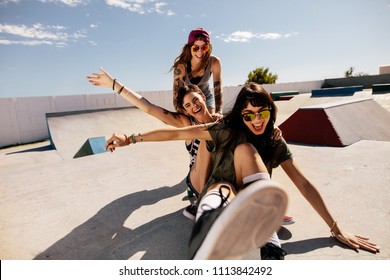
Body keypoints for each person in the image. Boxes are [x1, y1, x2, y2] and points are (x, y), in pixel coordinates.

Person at [105, 82, 380, 259]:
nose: (256, 121)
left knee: (245, 151)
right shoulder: (223, 127)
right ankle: (208, 225)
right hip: (211, 185)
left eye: (262, 114)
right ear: (241, 115)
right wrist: (130, 138)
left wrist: (335, 227)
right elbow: (174, 133)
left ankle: (268, 243)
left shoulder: (272, 138)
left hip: (245, 190)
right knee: (218, 171)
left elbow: (303, 183)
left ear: (271, 112)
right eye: (249, 115)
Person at [87, 67, 291, 224]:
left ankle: (260, 202)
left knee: (244, 143)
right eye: (188, 106)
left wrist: (273, 129)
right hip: (199, 177)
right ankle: (204, 201)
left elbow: (253, 120)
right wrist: (114, 85)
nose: (194, 107)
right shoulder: (187, 123)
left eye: (195, 100)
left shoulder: (222, 120)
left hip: (224, 175)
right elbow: (149, 108)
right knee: (206, 136)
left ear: (203, 97)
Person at [171, 28, 223, 115]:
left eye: (204, 47)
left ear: (209, 48)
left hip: (205, 96)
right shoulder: (181, 66)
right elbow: (176, 93)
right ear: (189, 48)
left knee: (210, 122)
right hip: (188, 99)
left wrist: (219, 112)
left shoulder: (214, 62)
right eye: (195, 48)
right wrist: (181, 113)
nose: (200, 52)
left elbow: (218, 89)